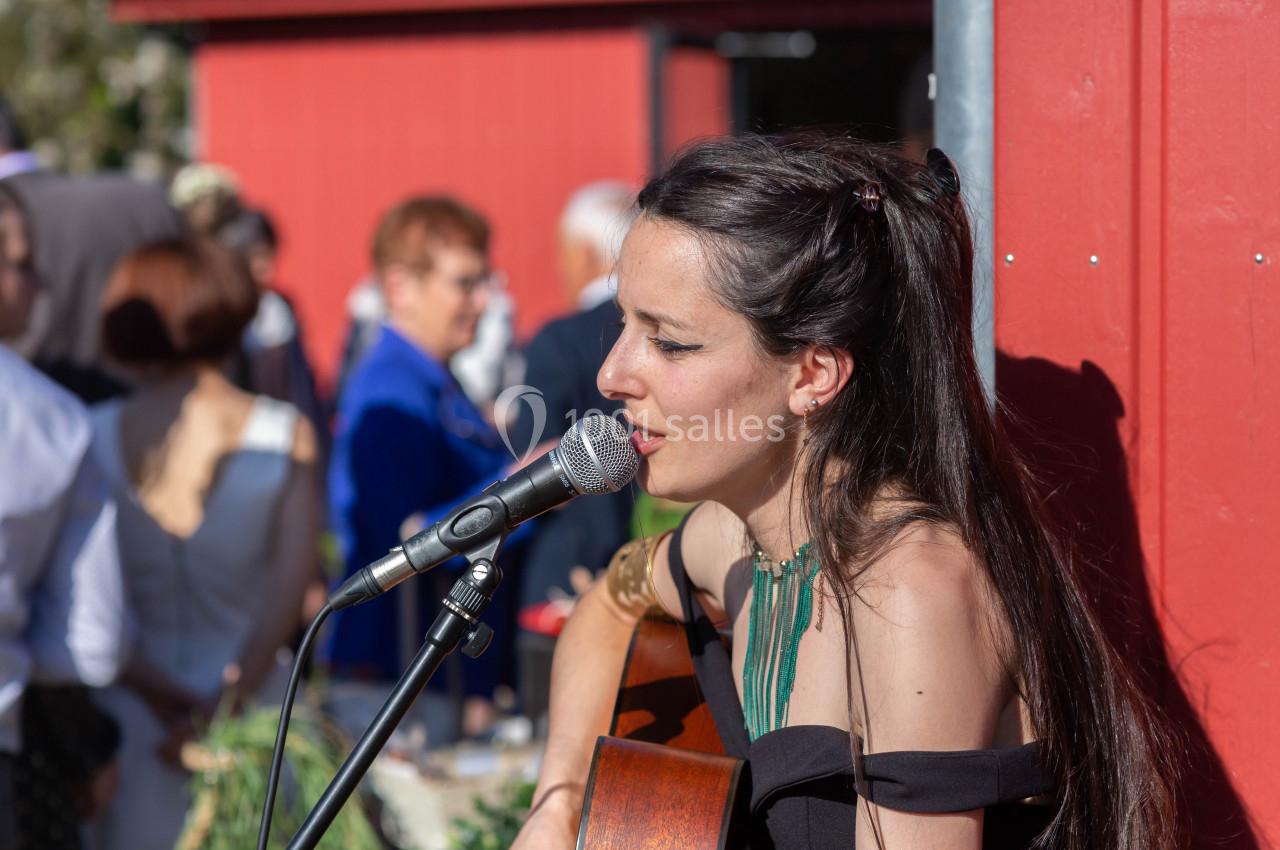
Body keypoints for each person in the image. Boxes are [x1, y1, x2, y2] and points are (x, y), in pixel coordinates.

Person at [514, 134, 1180, 849]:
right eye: (623, 325)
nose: (612, 375)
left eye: (669, 343)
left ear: (812, 376)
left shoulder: (910, 594)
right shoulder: (734, 542)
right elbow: (617, 598)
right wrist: (561, 802)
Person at [87, 237, 321, 850]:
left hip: (132, 724)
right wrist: (224, 704)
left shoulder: (88, 434)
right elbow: (288, 598)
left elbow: (86, 605)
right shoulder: (285, 432)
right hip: (252, 718)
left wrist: (158, 696)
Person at [326, 196, 516, 748]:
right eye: (464, 283)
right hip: (396, 681)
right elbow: (412, 540)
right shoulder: (392, 388)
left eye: (485, 283)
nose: (482, 302)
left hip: (425, 675)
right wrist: (530, 488)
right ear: (401, 287)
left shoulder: (432, 379)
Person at [0, 184, 129, 848]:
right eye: (20, 262)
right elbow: (86, 636)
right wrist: (88, 748)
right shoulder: (49, 421)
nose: (39, 283)